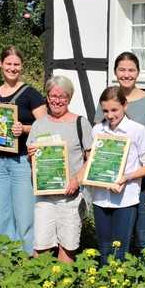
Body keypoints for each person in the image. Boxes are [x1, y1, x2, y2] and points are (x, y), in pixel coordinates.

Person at [0, 46, 46, 254]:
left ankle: (25, 261)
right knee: (4, 214)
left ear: (22, 66)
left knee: (24, 215)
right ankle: (5, 261)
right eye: (8, 63)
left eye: (16, 64)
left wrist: (24, 128)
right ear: (1, 65)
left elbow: (45, 126)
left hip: (21, 162)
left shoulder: (31, 94)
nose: (12, 68)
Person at [95, 52, 145, 253]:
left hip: (140, 178)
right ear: (115, 72)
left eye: (131, 70)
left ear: (138, 72)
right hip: (113, 179)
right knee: (114, 237)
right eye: (122, 70)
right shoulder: (108, 100)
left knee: (142, 235)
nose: (126, 74)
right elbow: (100, 141)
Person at [27, 76, 93, 263]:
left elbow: (90, 159)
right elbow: (31, 160)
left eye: (62, 96)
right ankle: (43, 287)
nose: (57, 100)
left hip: (70, 198)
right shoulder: (39, 124)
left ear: (69, 98)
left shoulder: (81, 123)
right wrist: (30, 154)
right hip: (45, 197)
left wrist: (77, 180)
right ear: (47, 97)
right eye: (52, 95)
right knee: (41, 247)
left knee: (68, 248)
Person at [88, 86, 145, 265]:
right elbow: (92, 161)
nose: (110, 115)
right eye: (105, 111)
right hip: (100, 198)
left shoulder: (137, 130)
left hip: (126, 199)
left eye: (114, 110)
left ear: (125, 105)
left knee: (120, 250)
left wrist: (127, 176)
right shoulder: (97, 130)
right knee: (104, 248)